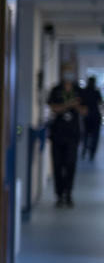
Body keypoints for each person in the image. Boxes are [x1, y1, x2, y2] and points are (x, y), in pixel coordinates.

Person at [47, 77, 85, 207]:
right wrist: (69, 104)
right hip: (57, 134)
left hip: (73, 135)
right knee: (57, 166)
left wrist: (76, 106)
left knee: (70, 165)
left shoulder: (79, 91)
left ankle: (68, 193)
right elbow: (54, 108)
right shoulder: (56, 90)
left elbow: (84, 111)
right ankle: (59, 195)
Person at [79, 76, 102, 161]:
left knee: (86, 135)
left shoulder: (84, 92)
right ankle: (91, 153)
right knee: (94, 137)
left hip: (87, 116)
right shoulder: (96, 92)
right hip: (94, 116)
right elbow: (100, 103)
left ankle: (85, 150)